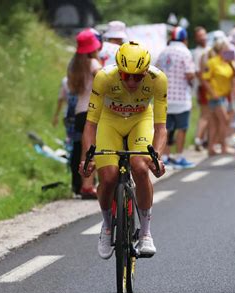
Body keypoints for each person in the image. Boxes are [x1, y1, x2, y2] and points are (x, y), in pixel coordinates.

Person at [80, 41, 168, 259]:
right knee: (108, 178)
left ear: (146, 72)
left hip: (140, 121)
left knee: (140, 166)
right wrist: (88, 158)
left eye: (137, 76)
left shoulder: (158, 80)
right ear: (118, 70)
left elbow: (160, 127)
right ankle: (107, 226)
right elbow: (90, 124)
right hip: (110, 122)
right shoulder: (104, 77)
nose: (131, 81)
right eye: (125, 75)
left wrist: (156, 157)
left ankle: (146, 233)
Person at [67, 29, 102, 198]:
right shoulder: (93, 63)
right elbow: (103, 79)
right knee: (95, 149)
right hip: (93, 111)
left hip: (79, 112)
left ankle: (83, 185)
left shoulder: (73, 65)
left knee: (84, 150)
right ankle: (89, 185)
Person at [156, 26, 196, 169]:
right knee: (182, 128)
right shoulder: (185, 52)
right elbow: (190, 74)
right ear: (184, 39)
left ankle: (165, 157)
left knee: (165, 128)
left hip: (165, 97)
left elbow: (156, 71)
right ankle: (179, 157)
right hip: (181, 99)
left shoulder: (163, 52)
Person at [201, 39, 235, 156]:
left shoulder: (228, 62)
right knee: (225, 120)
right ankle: (223, 147)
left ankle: (211, 148)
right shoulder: (212, 62)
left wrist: (232, 62)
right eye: (226, 49)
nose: (228, 51)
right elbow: (204, 79)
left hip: (224, 96)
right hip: (215, 97)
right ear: (220, 50)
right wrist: (213, 93)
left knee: (215, 123)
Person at [191, 26, 211, 152]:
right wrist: (206, 87)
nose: (203, 37)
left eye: (204, 34)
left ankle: (205, 140)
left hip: (211, 85)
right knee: (205, 114)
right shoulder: (197, 52)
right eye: (200, 36)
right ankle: (198, 139)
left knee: (210, 115)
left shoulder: (209, 49)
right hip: (204, 86)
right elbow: (198, 72)